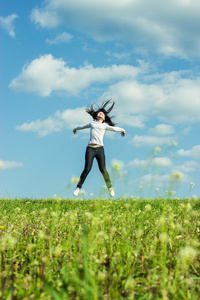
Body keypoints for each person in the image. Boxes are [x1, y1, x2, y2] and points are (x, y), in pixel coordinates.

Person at [73, 100, 125, 197]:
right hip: (90, 149)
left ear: (104, 118)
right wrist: (75, 129)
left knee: (103, 169)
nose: (101, 113)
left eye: (103, 114)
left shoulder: (105, 126)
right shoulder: (92, 123)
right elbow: (82, 126)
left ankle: (110, 188)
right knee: (87, 169)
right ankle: (78, 188)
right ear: (96, 116)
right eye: (99, 113)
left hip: (100, 149)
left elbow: (114, 129)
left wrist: (123, 130)